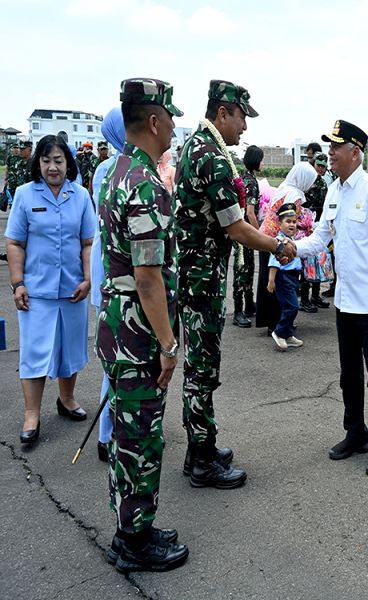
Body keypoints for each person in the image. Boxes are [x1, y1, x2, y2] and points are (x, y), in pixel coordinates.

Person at [175, 79, 295, 489]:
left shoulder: (197, 147)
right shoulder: (211, 156)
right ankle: (203, 459)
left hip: (196, 276)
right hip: (201, 280)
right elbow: (237, 228)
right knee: (203, 371)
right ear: (224, 112)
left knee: (199, 368)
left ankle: (200, 447)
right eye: (243, 117)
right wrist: (279, 244)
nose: (245, 127)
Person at [96, 77, 188, 573]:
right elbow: (149, 279)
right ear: (154, 121)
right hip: (139, 335)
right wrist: (169, 345)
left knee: (131, 434)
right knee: (141, 437)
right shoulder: (145, 185)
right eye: (170, 117)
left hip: (119, 328)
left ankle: (135, 523)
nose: (174, 126)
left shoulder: (117, 172)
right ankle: (133, 540)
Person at [294, 119, 368, 477]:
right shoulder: (334, 192)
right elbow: (321, 237)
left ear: (355, 152)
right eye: (329, 147)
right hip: (344, 303)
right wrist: (287, 247)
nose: (330, 153)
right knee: (348, 377)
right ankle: (356, 434)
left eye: (336, 147)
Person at [5, 134, 95, 445]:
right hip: (37, 292)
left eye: (58, 160)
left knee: (70, 350)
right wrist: (18, 283)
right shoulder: (25, 194)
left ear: (68, 163)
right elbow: (15, 243)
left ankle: (67, 400)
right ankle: (32, 413)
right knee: (35, 353)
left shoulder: (81, 196)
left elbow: (87, 243)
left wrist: (88, 278)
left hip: (73, 290)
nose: (52, 167)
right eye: (46, 161)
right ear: (38, 163)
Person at [91, 106, 127, 462]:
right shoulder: (111, 168)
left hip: (108, 271)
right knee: (115, 359)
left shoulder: (116, 165)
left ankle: (112, 430)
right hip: (112, 275)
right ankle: (107, 435)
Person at [256, 162, 317, 328]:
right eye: (310, 181)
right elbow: (290, 223)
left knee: (266, 280)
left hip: (264, 239)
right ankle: (279, 324)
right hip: (278, 242)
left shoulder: (283, 187)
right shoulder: (295, 195)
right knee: (280, 282)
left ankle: (269, 321)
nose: (311, 185)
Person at [231, 145, 263, 328]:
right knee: (243, 269)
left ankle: (249, 305)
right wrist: (259, 234)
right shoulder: (251, 182)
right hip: (245, 231)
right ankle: (237, 311)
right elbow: (250, 213)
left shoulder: (243, 177)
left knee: (248, 267)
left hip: (240, 229)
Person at [267, 203, 304, 351]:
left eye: (294, 222)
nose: (292, 225)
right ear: (279, 224)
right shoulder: (279, 242)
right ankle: (279, 332)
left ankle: (288, 335)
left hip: (293, 277)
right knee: (292, 306)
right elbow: (273, 263)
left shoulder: (293, 240)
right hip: (284, 277)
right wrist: (271, 280)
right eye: (288, 221)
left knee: (290, 306)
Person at [298, 152, 332, 313]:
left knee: (319, 261)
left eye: (324, 167)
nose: (321, 169)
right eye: (319, 165)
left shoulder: (325, 185)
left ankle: (315, 296)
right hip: (305, 227)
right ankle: (304, 298)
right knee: (307, 264)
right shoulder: (307, 181)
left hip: (319, 226)